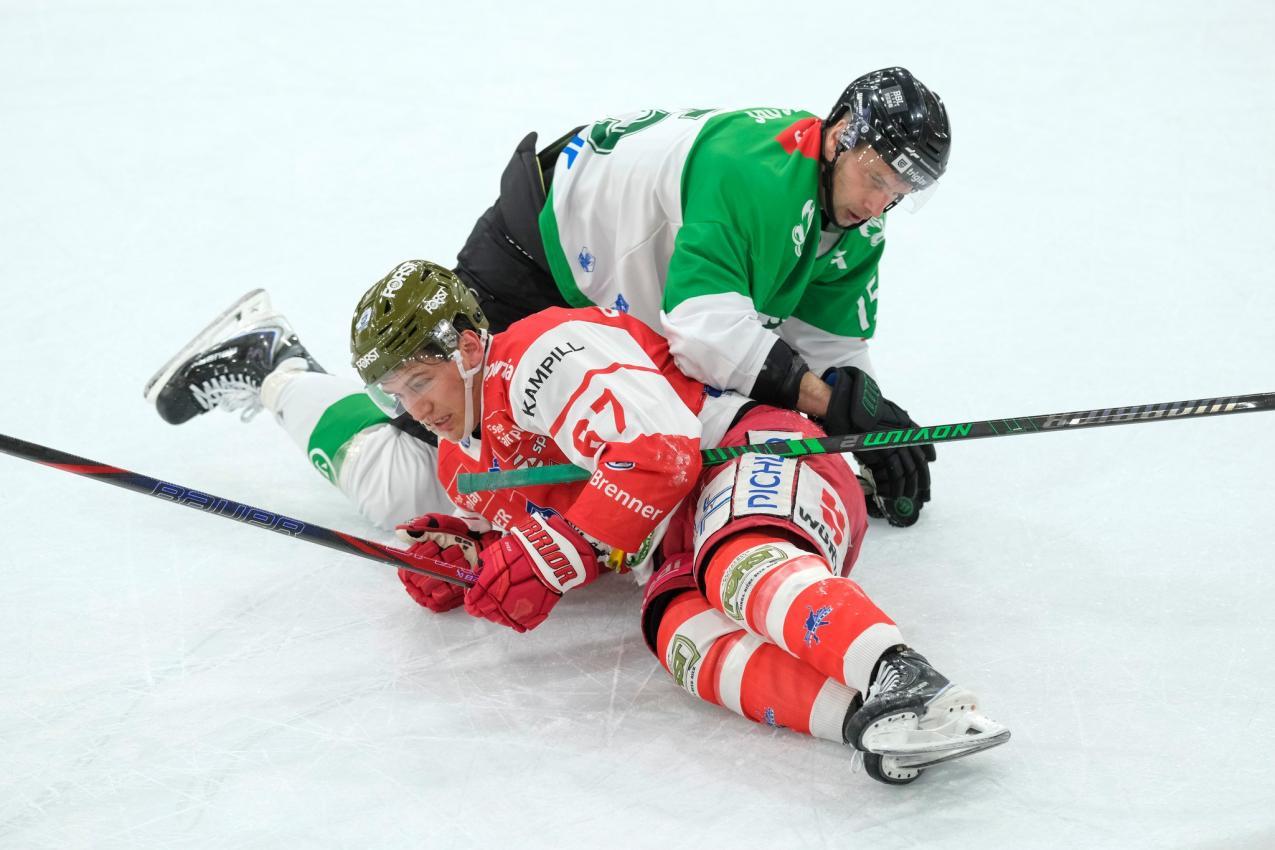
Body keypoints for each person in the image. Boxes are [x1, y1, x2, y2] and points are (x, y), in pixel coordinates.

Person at [145, 67, 947, 530]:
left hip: (601, 295)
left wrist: (859, 419)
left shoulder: (851, 219)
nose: (881, 202)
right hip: (531, 271)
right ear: (839, 134)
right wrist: (824, 402)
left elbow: (829, 349)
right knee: (416, 486)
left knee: (632, 449)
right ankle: (273, 365)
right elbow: (706, 333)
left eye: (901, 190)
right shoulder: (757, 174)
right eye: (876, 177)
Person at [345, 259, 1007, 785]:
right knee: (673, 630)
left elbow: (657, 456)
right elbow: (559, 527)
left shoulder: (543, 353)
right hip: (676, 535)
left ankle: (902, 676)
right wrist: (469, 557)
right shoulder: (464, 461)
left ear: (466, 346)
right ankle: (866, 719)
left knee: (732, 565)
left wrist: (552, 554)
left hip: (759, 452)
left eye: (419, 380)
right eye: (394, 394)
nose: (415, 407)